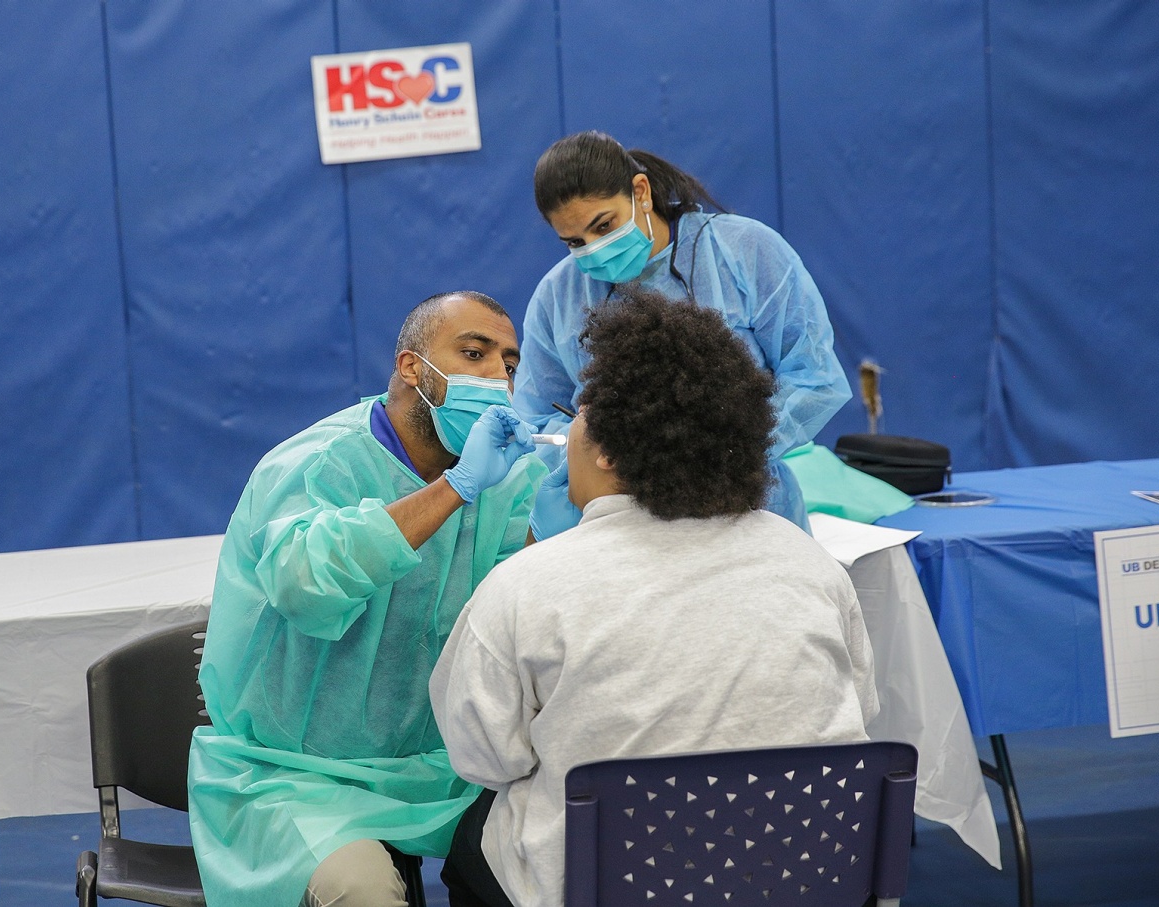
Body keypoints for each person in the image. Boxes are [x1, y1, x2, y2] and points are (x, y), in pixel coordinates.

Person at [431, 287, 879, 907]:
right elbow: (859, 711)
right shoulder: (808, 560)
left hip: (614, 887)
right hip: (799, 881)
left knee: (471, 841)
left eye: (577, 417)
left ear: (609, 450)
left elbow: (484, 758)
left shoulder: (524, 586)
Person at [188, 291, 548, 907]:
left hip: (439, 771)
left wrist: (562, 529)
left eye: (509, 365)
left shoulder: (507, 481)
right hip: (294, 775)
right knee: (360, 891)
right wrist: (455, 488)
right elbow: (305, 584)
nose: (496, 378)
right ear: (411, 366)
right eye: (473, 353)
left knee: (553, 859)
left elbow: (519, 611)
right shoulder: (317, 463)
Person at [513, 130, 851, 533]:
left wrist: (725, 451)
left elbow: (814, 378)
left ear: (641, 192)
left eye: (604, 226)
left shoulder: (744, 252)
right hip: (620, 524)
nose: (593, 250)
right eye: (574, 242)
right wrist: (610, 457)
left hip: (746, 507)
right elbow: (536, 419)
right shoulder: (558, 295)